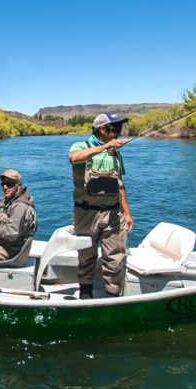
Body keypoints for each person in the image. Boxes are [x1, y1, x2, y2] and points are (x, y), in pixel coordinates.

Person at [69, 111, 134, 299]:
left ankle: (112, 297)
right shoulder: (82, 145)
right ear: (103, 129)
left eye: (120, 128)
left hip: (114, 214)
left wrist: (128, 214)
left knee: (115, 260)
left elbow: (120, 184)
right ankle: (86, 295)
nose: (119, 133)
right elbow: (75, 158)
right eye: (116, 129)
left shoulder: (115, 152)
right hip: (85, 214)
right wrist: (105, 147)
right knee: (86, 257)